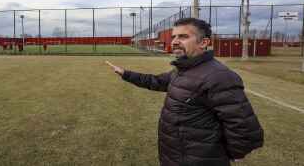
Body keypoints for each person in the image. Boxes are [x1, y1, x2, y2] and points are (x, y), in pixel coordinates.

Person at [106, 18, 263, 166]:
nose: (174, 42)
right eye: (174, 37)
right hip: (175, 156)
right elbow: (156, 81)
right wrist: (126, 74)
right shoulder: (183, 70)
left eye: (183, 37)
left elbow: (243, 126)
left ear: (204, 43)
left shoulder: (219, 76)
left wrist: (230, 154)